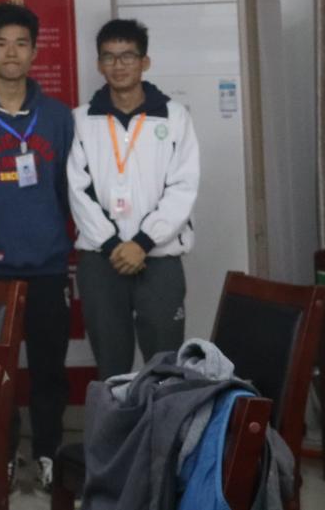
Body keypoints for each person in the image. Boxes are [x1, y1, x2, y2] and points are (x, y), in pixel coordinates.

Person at [0, 2, 77, 486]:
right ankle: (0, 455)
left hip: (47, 265)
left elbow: (69, 190)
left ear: (34, 52)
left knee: (49, 370)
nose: (11, 53)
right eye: (1, 43)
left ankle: (47, 453)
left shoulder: (58, 117)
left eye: (21, 44)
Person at [66, 19, 200, 380]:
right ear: (99, 64)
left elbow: (183, 187)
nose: (119, 65)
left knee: (165, 366)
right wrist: (114, 245)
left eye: (127, 56)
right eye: (109, 57)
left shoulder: (175, 117)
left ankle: (161, 421)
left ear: (145, 62)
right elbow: (77, 190)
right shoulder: (81, 120)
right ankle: (115, 421)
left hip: (159, 257)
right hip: (101, 260)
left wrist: (142, 242)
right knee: (111, 368)